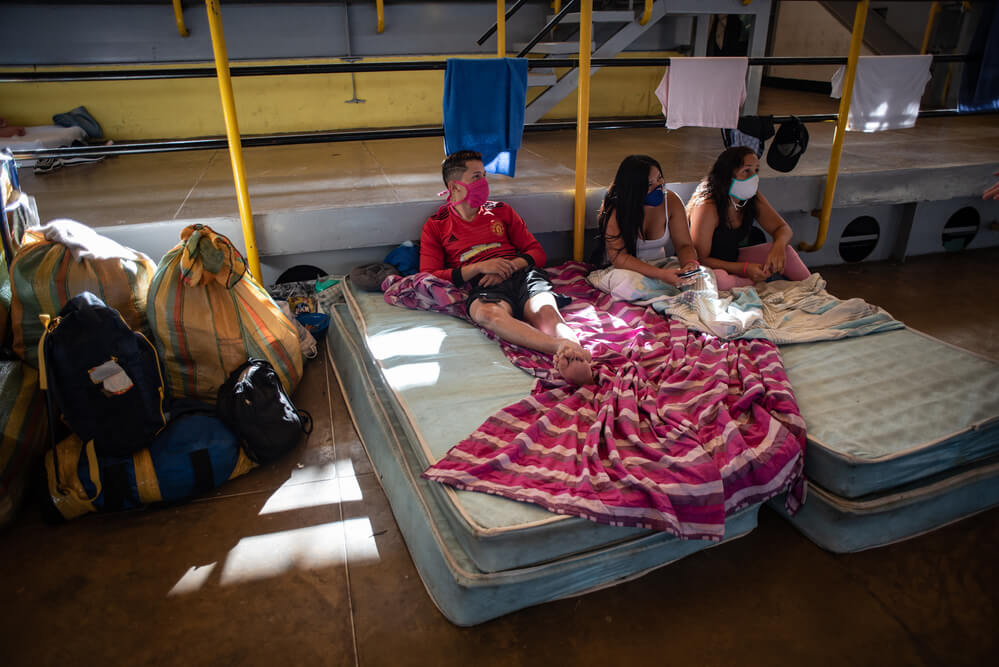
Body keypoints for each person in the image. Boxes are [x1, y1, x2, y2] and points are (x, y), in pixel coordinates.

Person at [420, 150, 594, 385]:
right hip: (485, 286)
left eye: (484, 176)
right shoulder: (437, 225)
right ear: (454, 187)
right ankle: (561, 347)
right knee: (487, 314)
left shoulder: (501, 211)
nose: (484, 183)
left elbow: (536, 253)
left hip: (521, 274)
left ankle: (575, 356)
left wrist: (508, 267)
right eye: (476, 177)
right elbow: (428, 275)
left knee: (545, 312)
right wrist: (479, 268)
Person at [688, 146, 811, 290]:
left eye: (756, 171)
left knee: (786, 252)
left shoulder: (751, 198)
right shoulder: (707, 207)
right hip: (709, 267)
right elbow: (700, 260)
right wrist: (744, 269)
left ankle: (815, 290)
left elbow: (782, 228)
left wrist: (779, 246)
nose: (753, 177)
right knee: (720, 279)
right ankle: (753, 284)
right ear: (727, 174)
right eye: (746, 171)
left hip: (734, 258)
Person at [594, 154, 699, 285]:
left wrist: (689, 265)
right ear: (633, 189)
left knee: (703, 277)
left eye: (660, 178)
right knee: (630, 285)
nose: (659, 185)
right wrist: (662, 275)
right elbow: (620, 258)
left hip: (662, 267)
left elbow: (684, 245)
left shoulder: (671, 201)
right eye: (650, 184)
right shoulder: (615, 210)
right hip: (625, 271)